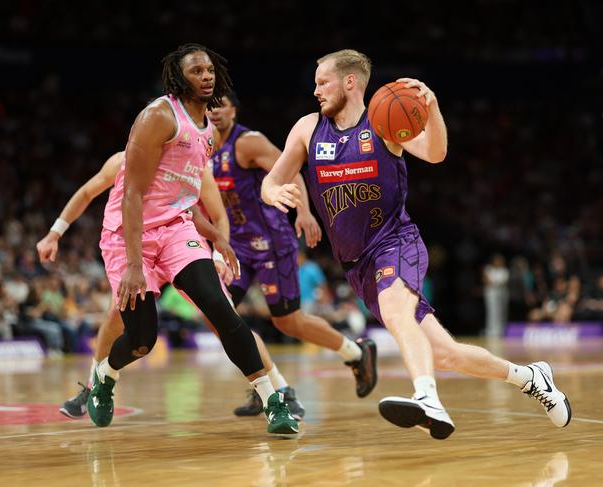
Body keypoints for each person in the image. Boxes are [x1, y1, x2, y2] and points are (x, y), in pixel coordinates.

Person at [261, 49, 571, 439]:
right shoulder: (307, 129)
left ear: (350, 82)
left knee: (395, 311)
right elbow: (271, 180)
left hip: (395, 242)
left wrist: (433, 108)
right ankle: (531, 377)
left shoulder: (385, 121)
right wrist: (273, 194)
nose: (316, 90)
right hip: (357, 265)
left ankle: (427, 397)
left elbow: (436, 152)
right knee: (445, 353)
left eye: (323, 82)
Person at [89, 43, 297, 434]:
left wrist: (217, 236)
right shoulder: (158, 117)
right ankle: (104, 375)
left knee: (222, 310)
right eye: (196, 71)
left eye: (209, 71)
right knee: (141, 341)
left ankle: (274, 401)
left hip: (176, 230)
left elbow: (183, 197)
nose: (206, 77)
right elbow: (132, 194)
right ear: (177, 79)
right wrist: (134, 264)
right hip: (128, 233)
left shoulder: (207, 132)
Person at [38, 150, 305, 420]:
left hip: (180, 239)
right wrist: (54, 233)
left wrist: (215, 254)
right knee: (117, 314)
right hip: (136, 246)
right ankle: (95, 386)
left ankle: (280, 388)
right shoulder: (122, 160)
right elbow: (86, 193)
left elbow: (218, 215)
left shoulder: (194, 163)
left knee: (224, 315)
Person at [207, 93, 378, 417]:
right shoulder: (204, 147)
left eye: (223, 104)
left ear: (234, 108)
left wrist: (304, 212)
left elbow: (291, 170)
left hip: (272, 241)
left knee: (288, 321)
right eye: (210, 105)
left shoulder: (248, 143)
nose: (215, 111)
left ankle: (355, 353)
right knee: (216, 313)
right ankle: (274, 387)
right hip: (238, 245)